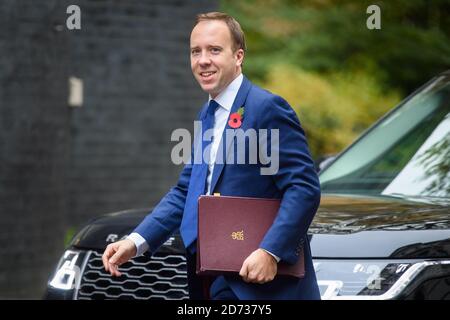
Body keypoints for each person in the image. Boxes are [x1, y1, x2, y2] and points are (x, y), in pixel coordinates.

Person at [102, 11, 321, 300]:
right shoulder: (207, 114)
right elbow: (186, 191)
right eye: (196, 51)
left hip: (261, 287)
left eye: (214, 50)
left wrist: (271, 252)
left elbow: (303, 188)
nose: (203, 60)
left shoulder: (267, 108)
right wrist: (135, 241)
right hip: (209, 278)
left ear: (238, 56)